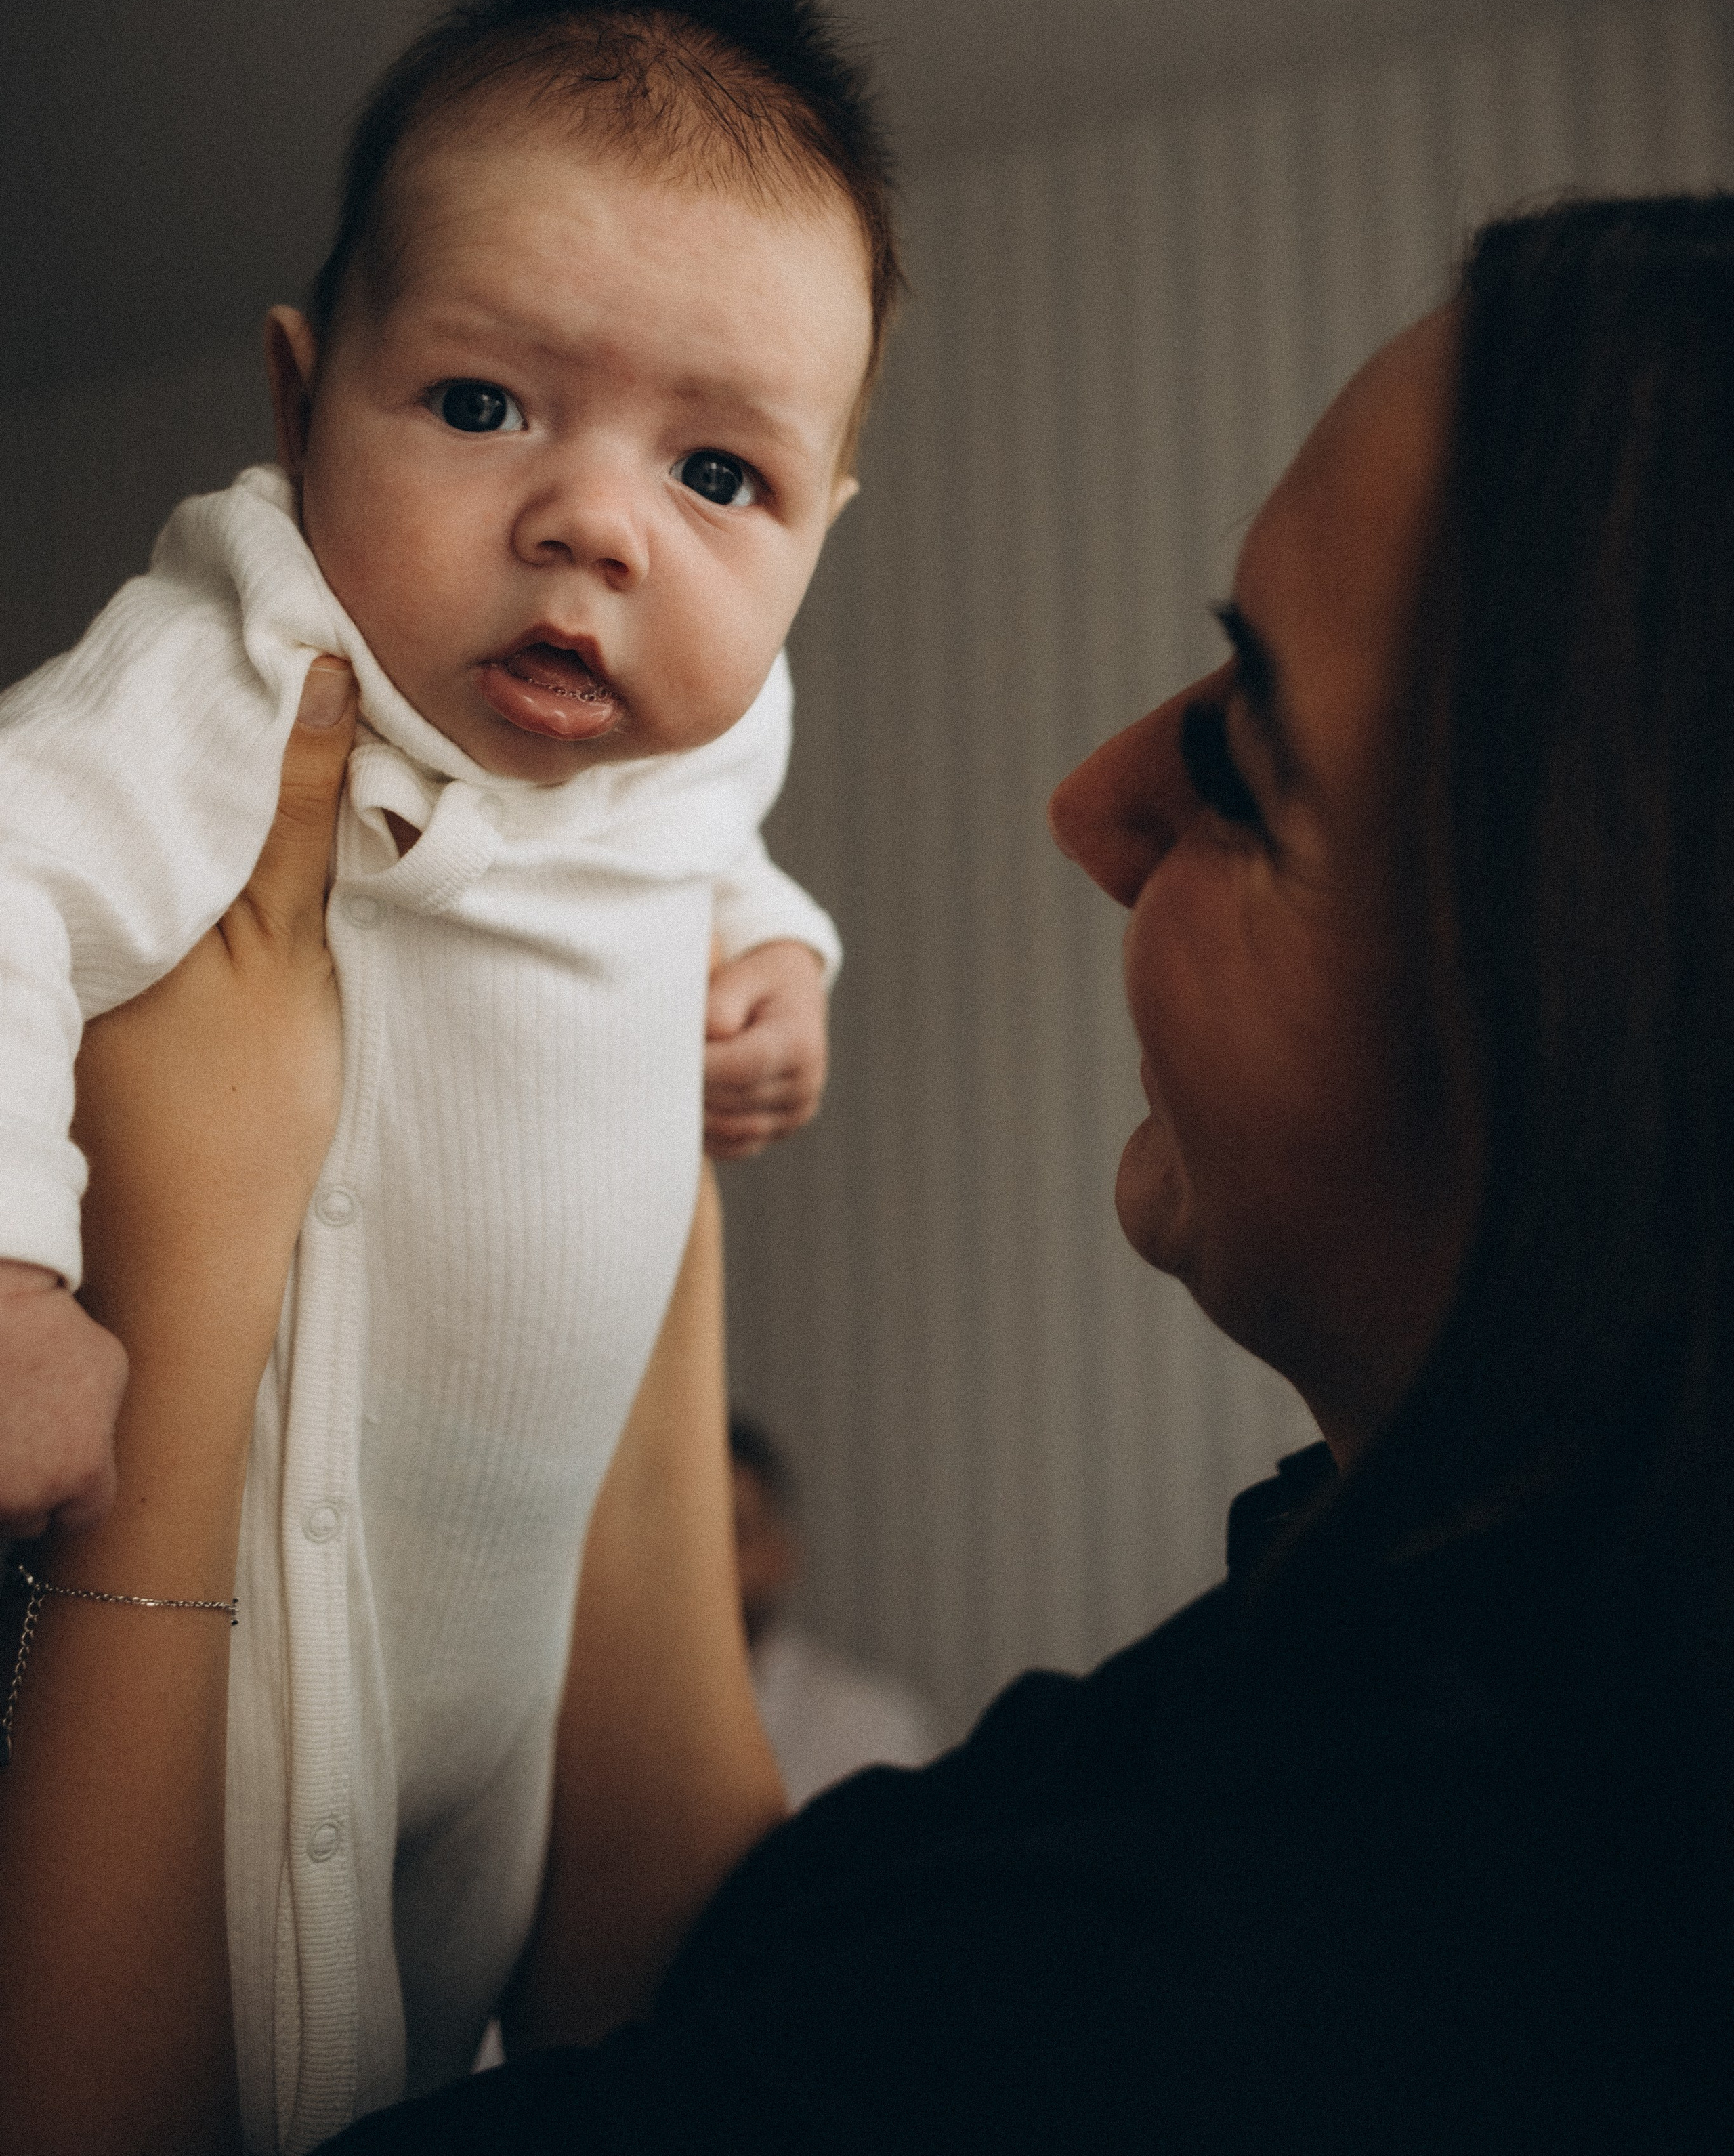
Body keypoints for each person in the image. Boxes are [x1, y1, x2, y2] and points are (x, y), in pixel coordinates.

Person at [5, 196, 1730, 2151]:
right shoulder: (1366, 1627)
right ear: (305, 400)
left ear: (1591, 1007)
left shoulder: (1293, 1988)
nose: (1092, 806)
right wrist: (627, 1092)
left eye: (1243, 759)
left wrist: (190, 1248)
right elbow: (733, 1974)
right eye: (482, 402)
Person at [0, 0, 902, 2144]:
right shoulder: (243, 655)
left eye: (722, 476)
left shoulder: (706, 727)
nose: (591, 522)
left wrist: (784, 966)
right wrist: (11, 1263)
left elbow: (718, 842)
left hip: (510, 1687)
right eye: (485, 402)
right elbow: (6, 858)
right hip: (225, 1603)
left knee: (450, 2051)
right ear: (307, 400)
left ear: (820, 531)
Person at [729, 1414, 943, 1804]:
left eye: (734, 1534)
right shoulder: (605, 1726)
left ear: (781, 1553)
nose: (705, 1565)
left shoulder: (870, 1728)